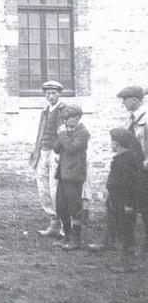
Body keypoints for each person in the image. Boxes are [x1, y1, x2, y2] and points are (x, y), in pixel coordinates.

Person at [96, 128, 142, 272]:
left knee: (126, 230)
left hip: (124, 201)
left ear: (117, 143)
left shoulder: (127, 160)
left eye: (112, 141)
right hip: (116, 199)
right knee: (121, 228)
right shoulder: (120, 158)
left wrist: (129, 204)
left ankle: (129, 264)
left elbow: (129, 184)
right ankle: (125, 261)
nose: (111, 144)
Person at [29, 80, 67, 238]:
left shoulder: (64, 111)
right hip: (42, 151)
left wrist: (60, 152)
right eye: (48, 93)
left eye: (54, 93)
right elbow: (40, 133)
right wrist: (36, 150)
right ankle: (54, 222)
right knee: (43, 188)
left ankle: (66, 226)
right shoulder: (44, 111)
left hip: (55, 152)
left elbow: (65, 134)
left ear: (59, 94)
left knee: (55, 188)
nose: (50, 96)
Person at [52, 105, 89, 250]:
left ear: (77, 118)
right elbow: (56, 148)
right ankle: (67, 237)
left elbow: (72, 148)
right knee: (61, 207)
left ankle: (76, 240)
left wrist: (62, 135)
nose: (66, 122)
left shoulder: (82, 132)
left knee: (75, 208)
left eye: (68, 119)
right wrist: (61, 135)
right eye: (64, 120)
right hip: (63, 174)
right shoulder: (66, 132)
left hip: (74, 175)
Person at [117, 85, 148, 252]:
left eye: (125, 99)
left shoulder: (146, 118)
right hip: (132, 169)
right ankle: (127, 244)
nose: (122, 103)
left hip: (144, 171)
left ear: (135, 100)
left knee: (145, 208)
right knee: (127, 205)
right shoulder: (131, 118)